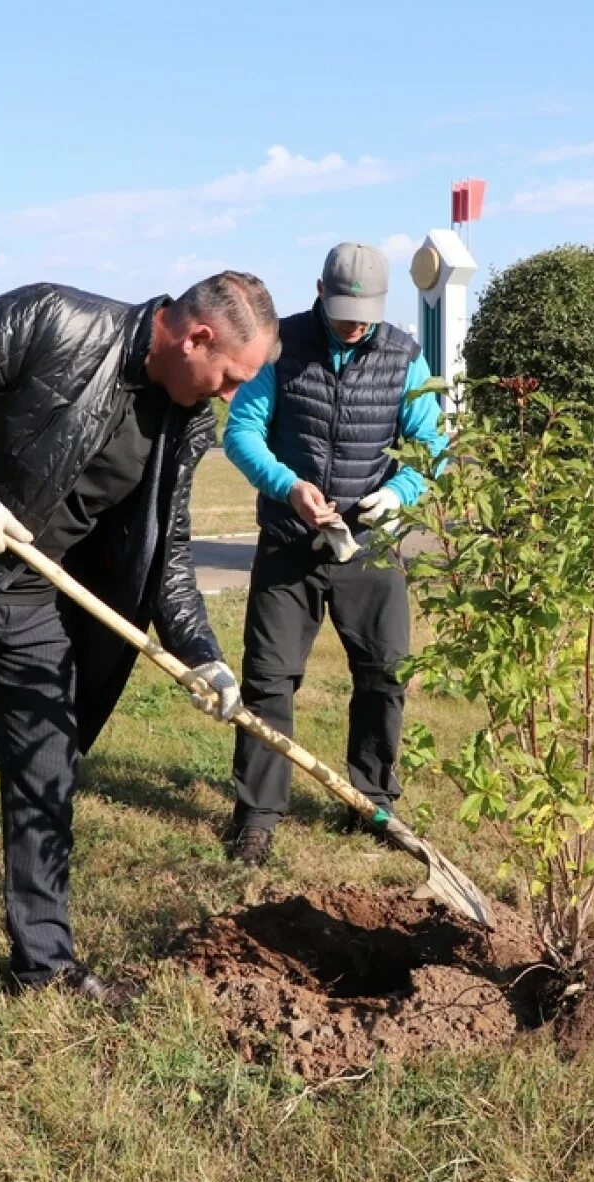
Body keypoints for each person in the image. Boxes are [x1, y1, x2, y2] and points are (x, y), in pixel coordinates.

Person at [0, 272, 278, 1044]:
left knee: (48, 779)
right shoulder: (57, 319)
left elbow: (164, 550)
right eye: (230, 378)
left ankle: (44, 961)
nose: (229, 396)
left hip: (35, 600)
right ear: (195, 338)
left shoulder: (183, 420)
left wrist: (202, 654)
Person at [220, 243, 446, 865]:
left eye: (365, 312)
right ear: (319, 290)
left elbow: (433, 446)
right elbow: (240, 432)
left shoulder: (403, 356)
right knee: (268, 681)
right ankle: (258, 816)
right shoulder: (283, 347)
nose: (354, 324)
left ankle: (371, 800)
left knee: (383, 674)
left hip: (370, 549)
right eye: (344, 310)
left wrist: (398, 495)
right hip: (290, 542)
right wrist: (287, 487)